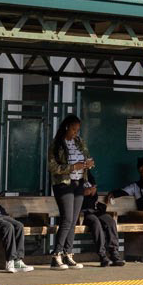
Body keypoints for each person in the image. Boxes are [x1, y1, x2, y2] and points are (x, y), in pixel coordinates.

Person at [47, 114, 95, 269]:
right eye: (74, 129)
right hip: (63, 184)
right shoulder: (57, 144)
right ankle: (56, 255)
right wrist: (73, 167)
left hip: (78, 183)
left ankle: (68, 254)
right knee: (67, 219)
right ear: (67, 127)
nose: (76, 132)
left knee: (73, 220)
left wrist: (88, 164)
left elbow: (86, 157)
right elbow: (52, 167)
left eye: (78, 130)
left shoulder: (79, 142)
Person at [78, 181, 124, 267]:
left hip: (95, 210)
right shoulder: (75, 178)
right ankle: (102, 255)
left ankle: (114, 253)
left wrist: (93, 192)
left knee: (110, 221)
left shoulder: (89, 177)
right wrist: (82, 193)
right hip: (83, 213)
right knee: (96, 222)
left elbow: (93, 194)